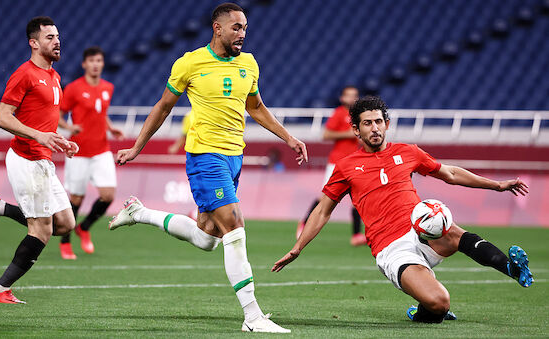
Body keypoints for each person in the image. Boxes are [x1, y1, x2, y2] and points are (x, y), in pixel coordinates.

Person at [109, 3, 307, 333]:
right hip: (204, 156)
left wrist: (288, 137)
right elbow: (163, 107)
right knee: (235, 226)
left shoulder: (249, 64)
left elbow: (255, 107)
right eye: (236, 28)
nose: (242, 34)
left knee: (207, 238)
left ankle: (139, 213)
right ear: (217, 29)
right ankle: (253, 317)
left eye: (245, 28)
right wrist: (137, 147)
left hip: (234, 157)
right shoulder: (190, 63)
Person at [272, 96, 533, 323]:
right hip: (391, 248)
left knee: (449, 228)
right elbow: (322, 211)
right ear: (355, 130)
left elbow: (450, 173)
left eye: (378, 122)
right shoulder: (346, 166)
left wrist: (498, 185)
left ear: (387, 124)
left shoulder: (408, 152)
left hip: (421, 230)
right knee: (439, 303)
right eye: (367, 123)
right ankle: (424, 310)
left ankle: (510, 268)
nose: (374, 128)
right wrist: (298, 247)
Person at [0, 16, 78, 304]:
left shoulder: (55, 77)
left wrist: (59, 139)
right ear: (33, 43)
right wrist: (39, 136)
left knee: (66, 223)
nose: (57, 41)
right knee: (41, 230)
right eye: (49, 37)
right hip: (26, 159)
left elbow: (43, 122)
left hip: (43, 160)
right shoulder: (25, 74)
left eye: (57, 36)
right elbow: (2, 117)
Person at [57, 46, 124, 259]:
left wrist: (110, 127)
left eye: (99, 61)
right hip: (78, 151)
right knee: (76, 199)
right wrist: (68, 128)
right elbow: (58, 114)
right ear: (84, 64)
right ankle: (65, 241)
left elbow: (100, 113)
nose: (96, 64)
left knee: (108, 195)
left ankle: (83, 227)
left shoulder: (108, 87)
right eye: (92, 61)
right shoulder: (74, 88)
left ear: (103, 64)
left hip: (101, 150)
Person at [296, 86, 365, 245]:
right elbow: (326, 134)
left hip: (354, 162)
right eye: (349, 96)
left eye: (355, 95)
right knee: (325, 197)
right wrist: (347, 134)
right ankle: (305, 222)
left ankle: (356, 235)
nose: (352, 99)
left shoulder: (358, 116)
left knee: (359, 197)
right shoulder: (339, 113)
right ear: (342, 98)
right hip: (337, 162)